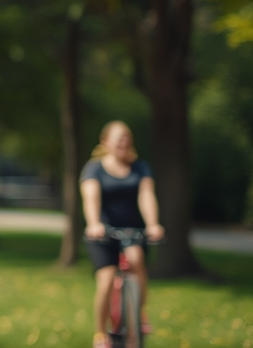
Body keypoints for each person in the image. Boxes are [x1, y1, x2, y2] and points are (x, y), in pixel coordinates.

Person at [81, 120, 164, 348]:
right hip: (102, 232)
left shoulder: (139, 167)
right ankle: (100, 334)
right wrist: (93, 222)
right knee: (106, 281)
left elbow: (146, 195)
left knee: (136, 260)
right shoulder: (94, 168)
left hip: (131, 230)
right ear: (105, 141)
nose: (123, 142)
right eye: (118, 138)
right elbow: (91, 197)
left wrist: (153, 223)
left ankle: (139, 313)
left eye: (127, 137)